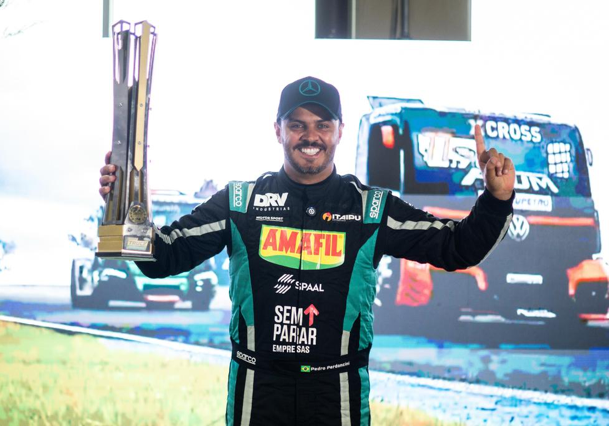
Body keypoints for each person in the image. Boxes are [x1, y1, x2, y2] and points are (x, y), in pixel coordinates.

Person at [99, 76, 515, 426]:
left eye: (322, 125)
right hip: (258, 390)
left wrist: (496, 200)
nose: (310, 136)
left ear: (339, 131)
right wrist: (122, 205)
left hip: (336, 393)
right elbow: (164, 257)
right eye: (297, 125)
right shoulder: (240, 202)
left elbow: (457, 248)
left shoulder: (371, 208)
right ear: (277, 130)